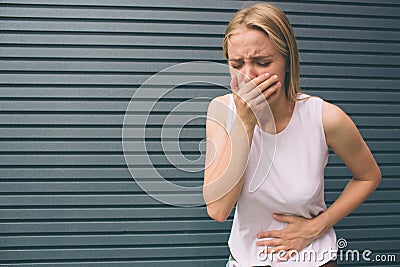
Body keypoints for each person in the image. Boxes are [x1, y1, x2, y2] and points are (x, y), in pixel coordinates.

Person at [202, 3, 381, 267]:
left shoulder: (324, 117)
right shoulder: (221, 110)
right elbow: (218, 210)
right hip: (245, 261)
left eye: (262, 63)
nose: (248, 77)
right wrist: (245, 123)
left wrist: (317, 227)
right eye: (237, 64)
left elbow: (368, 176)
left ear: (288, 62)